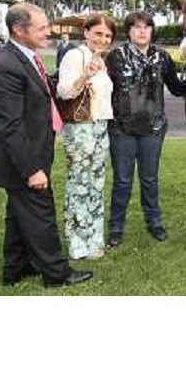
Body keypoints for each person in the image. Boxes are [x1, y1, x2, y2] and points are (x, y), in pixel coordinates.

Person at [0, 2, 92, 288]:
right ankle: (57, 274)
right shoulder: (6, 65)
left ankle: (15, 268)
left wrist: (82, 75)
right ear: (19, 30)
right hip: (21, 160)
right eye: (41, 28)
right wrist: (32, 170)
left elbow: (44, 91)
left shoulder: (26, 57)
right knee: (40, 214)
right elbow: (11, 125)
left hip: (27, 154)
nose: (48, 33)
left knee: (19, 215)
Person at [106, 11, 186, 247]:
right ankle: (116, 227)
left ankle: (154, 222)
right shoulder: (115, 57)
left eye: (146, 27)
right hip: (121, 129)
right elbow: (103, 89)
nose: (142, 31)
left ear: (152, 30)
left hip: (152, 130)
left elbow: (176, 88)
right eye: (136, 27)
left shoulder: (162, 57)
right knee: (122, 181)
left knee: (150, 179)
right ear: (129, 31)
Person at [57, 13, 115, 260]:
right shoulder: (75, 55)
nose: (103, 39)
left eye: (108, 35)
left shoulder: (101, 60)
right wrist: (84, 76)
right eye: (98, 33)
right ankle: (78, 241)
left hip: (100, 127)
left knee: (96, 184)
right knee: (79, 184)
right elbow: (63, 91)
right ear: (86, 32)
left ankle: (94, 238)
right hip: (80, 129)